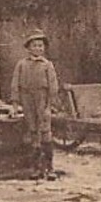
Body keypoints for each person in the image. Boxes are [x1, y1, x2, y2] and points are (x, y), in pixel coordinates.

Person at [10, 29, 62, 180]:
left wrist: (50, 105)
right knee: (33, 131)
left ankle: (50, 168)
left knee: (45, 132)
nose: (38, 48)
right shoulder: (21, 64)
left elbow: (53, 86)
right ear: (28, 48)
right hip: (27, 99)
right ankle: (36, 168)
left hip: (42, 98)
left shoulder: (47, 65)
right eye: (35, 45)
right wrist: (14, 104)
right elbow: (15, 85)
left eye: (41, 46)